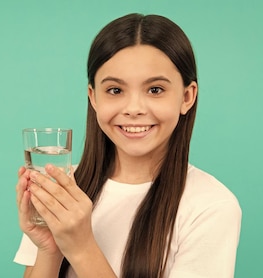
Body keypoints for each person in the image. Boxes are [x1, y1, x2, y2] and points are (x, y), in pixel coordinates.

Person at [13, 13, 242, 278]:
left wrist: (82, 247)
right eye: (115, 90)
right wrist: (49, 248)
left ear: (187, 97)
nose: (133, 109)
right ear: (93, 97)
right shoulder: (65, 191)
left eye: (155, 90)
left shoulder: (211, 206)